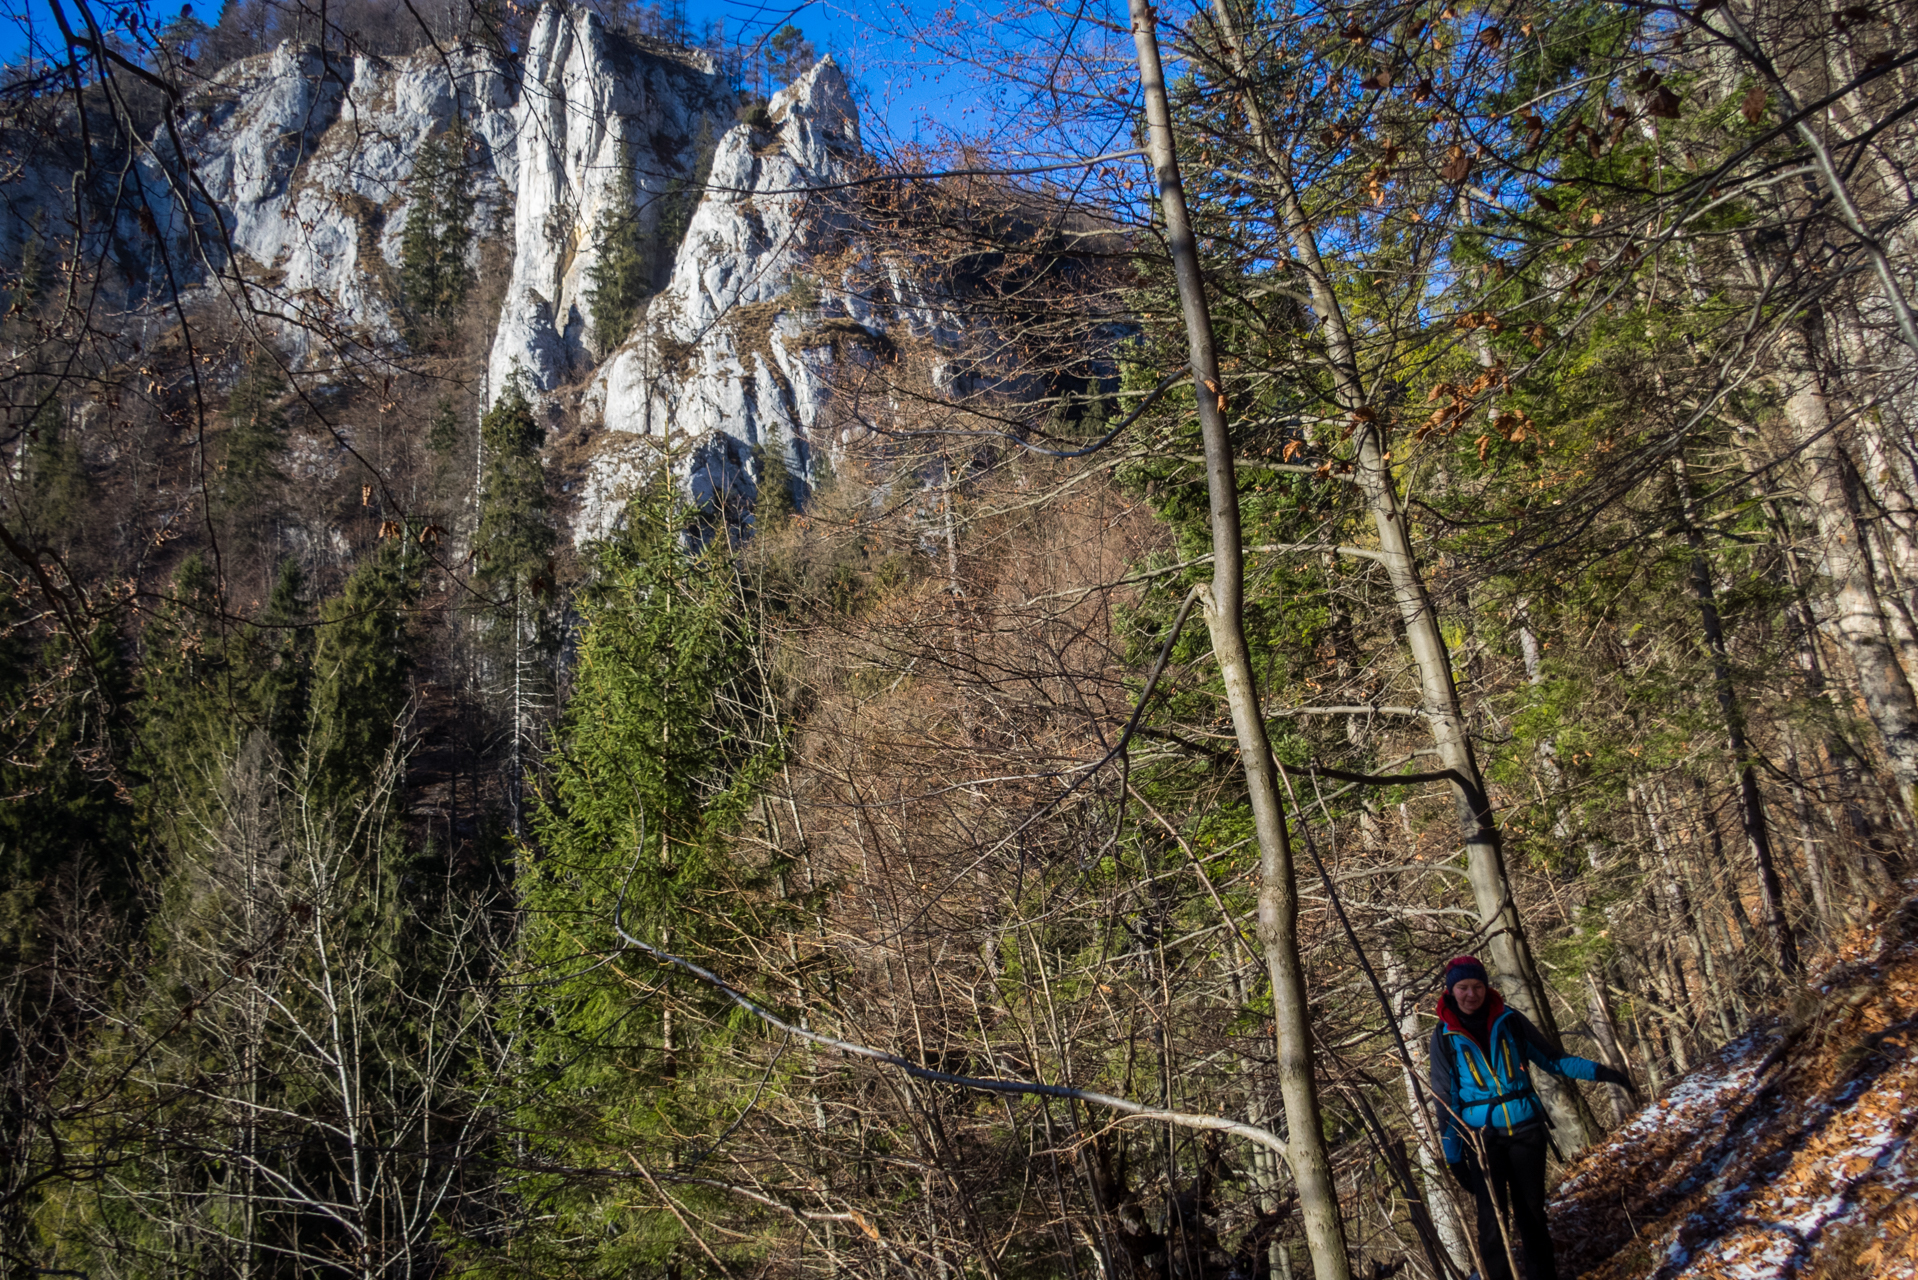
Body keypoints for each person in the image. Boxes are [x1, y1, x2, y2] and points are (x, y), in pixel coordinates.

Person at [1428, 956, 1634, 1280]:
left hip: (1527, 1132)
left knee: (1532, 1218)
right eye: (1463, 987)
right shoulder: (1443, 1037)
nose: (1472, 994)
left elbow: (1553, 1059)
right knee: (1491, 1225)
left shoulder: (1510, 1021)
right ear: (1450, 991)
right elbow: (1445, 1101)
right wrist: (1453, 1157)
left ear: (1486, 987)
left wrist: (1602, 1072)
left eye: (1478, 986)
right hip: (1482, 1141)